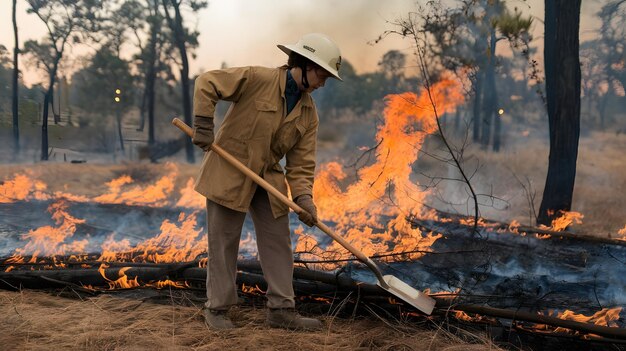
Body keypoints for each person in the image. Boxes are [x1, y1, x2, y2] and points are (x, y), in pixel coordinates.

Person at [191, 33, 342, 331]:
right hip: (230, 169)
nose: (323, 83)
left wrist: (303, 198)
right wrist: (203, 124)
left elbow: (301, 164)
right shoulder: (257, 78)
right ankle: (217, 310)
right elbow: (206, 82)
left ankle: (281, 310)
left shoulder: (309, 114)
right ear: (305, 65)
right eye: (322, 75)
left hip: (268, 177)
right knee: (224, 242)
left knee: (278, 241)